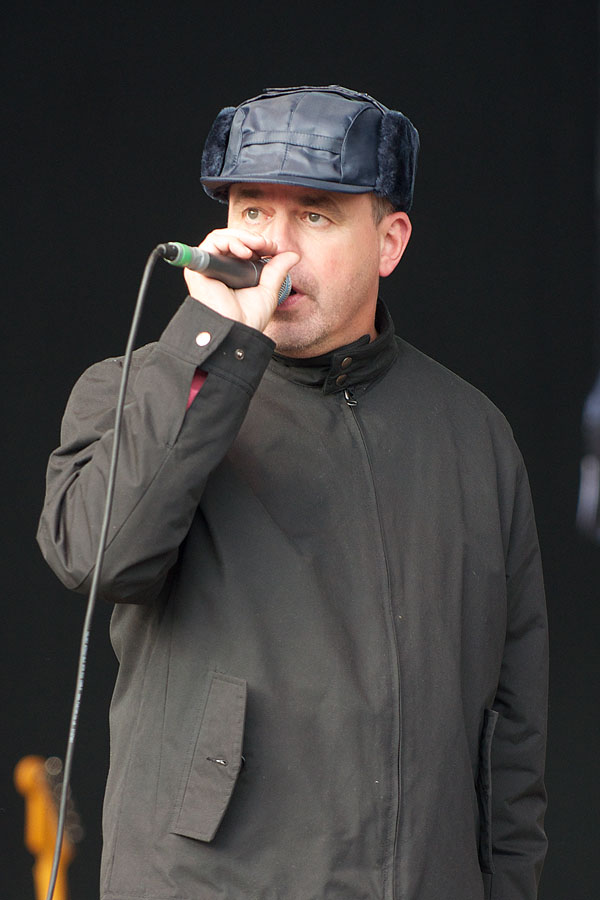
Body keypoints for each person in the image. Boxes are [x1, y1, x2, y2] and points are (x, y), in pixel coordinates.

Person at [37, 85, 548, 900]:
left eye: (314, 214)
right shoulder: (143, 387)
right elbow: (98, 557)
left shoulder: (474, 433)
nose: (273, 245)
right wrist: (209, 346)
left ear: (389, 242)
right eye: (251, 210)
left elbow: (511, 738)